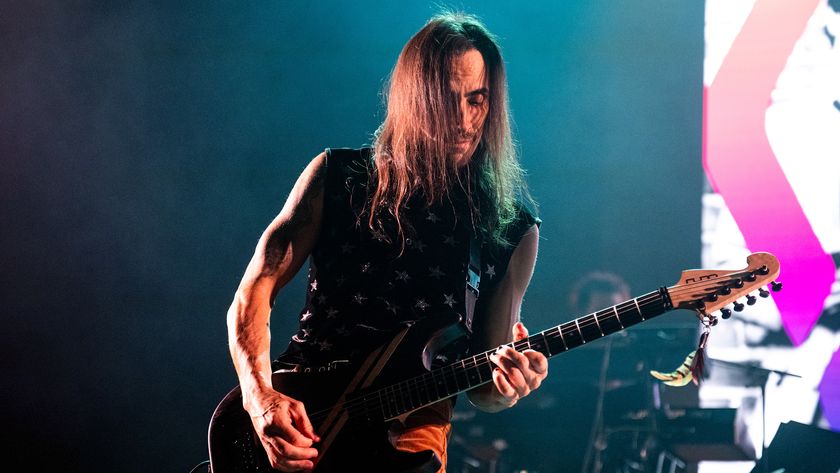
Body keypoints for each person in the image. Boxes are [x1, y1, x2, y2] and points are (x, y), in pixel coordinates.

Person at [226, 12, 547, 473]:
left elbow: (483, 388)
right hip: (306, 423)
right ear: (414, 100)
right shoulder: (336, 177)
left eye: (477, 100)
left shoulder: (510, 228)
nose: (463, 120)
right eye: (445, 101)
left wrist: (511, 384)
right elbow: (253, 291)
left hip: (407, 445)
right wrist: (259, 397)